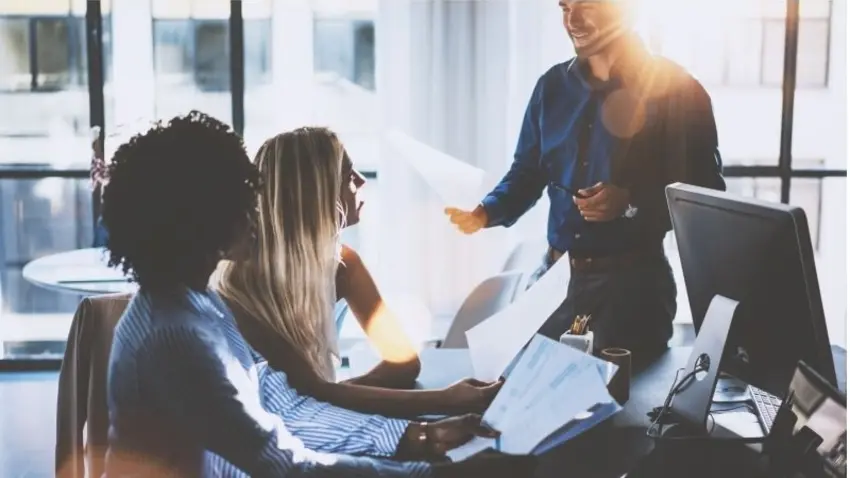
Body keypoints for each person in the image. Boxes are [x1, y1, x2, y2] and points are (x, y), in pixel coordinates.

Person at [101, 111, 533, 477]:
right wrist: (425, 463)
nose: (258, 209)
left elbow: (283, 409)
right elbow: (283, 461)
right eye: (243, 199)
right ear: (200, 222)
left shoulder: (194, 305)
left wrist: (421, 435)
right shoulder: (179, 336)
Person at [445, 0, 725, 363]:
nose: (572, 20)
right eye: (564, 6)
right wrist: (485, 212)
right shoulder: (551, 87)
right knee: (535, 404)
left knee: (626, 414)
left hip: (633, 294)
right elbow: (527, 172)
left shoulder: (680, 92)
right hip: (553, 281)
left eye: (587, 5)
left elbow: (705, 198)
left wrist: (630, 203)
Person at [217, 127, 501, 418]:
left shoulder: (344, 264)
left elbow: (403, 362)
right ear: (316, 192)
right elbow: (308, 394)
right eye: (346, 175)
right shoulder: (239, 282)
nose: (361, 180)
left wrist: (343, 392)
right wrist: (447, 399)